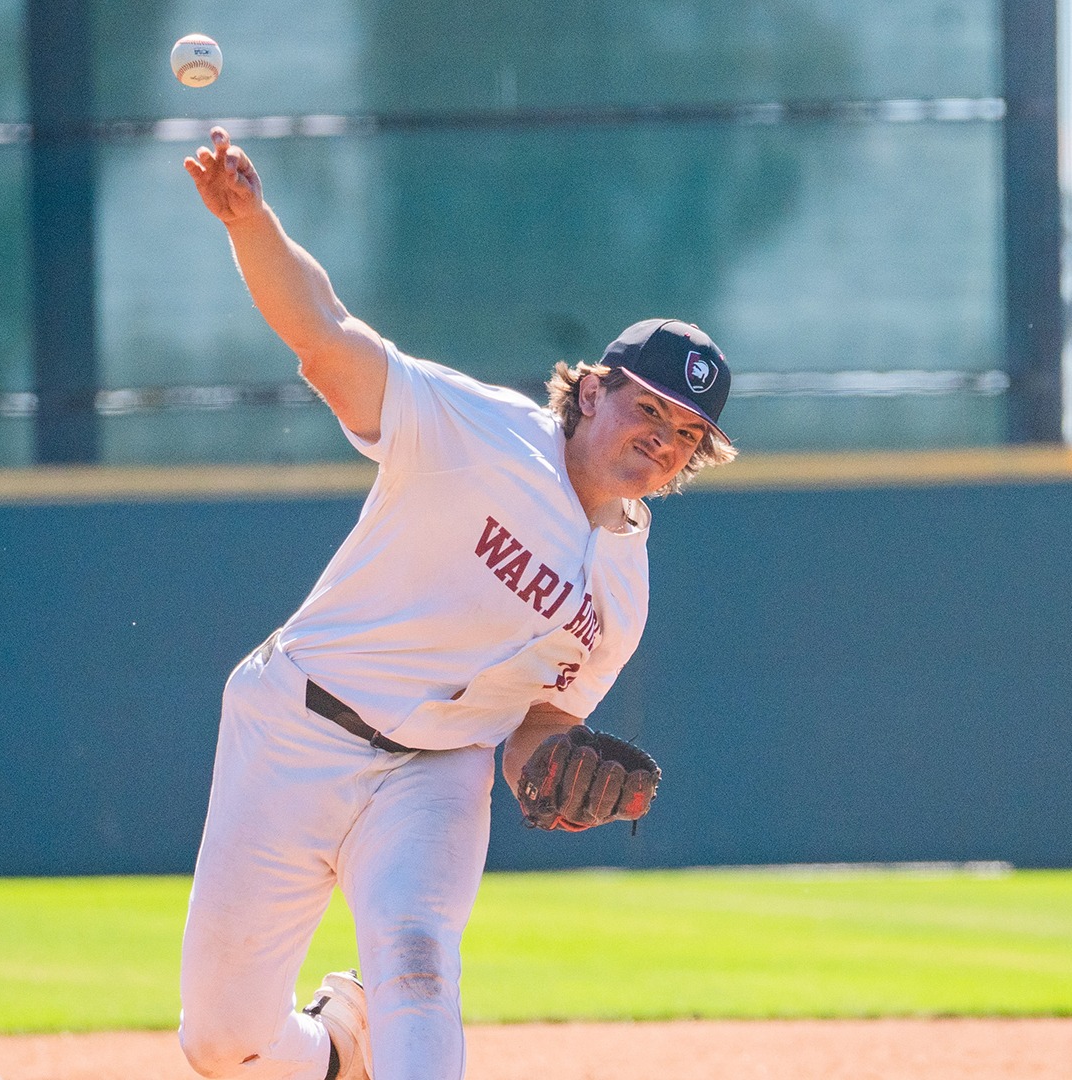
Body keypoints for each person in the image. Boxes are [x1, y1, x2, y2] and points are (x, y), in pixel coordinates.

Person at [175, 127, 737, 1080]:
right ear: (592, 390)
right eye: (646, 407)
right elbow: (325, 336)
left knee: (419, 964)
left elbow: (532, 727)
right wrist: (250, 223)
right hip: (296, 729)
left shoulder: (625, 589)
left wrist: (548, 763)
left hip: (433, 778)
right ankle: (334, 1053)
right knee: (223, 1044)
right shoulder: (472, 430)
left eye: (686, 433)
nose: (662, 439)